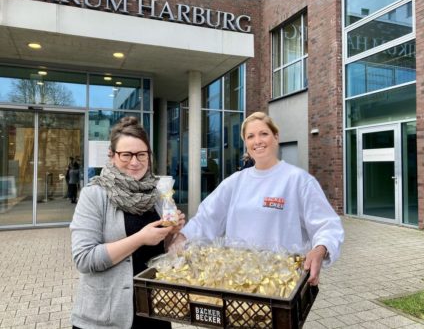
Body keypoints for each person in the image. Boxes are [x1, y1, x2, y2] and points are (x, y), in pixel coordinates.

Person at [171, 112, 344, 286]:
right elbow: (207, 218)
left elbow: (327, 224)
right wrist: (183, 237)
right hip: (238, 280)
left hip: (283, 282)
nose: (258, 141)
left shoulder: (299, 181)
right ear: (246, 143)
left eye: (264, 134)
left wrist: (320, 249)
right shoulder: (234, 183)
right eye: (250, 136)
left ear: (276, 137)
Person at [70, 116, 186, 329]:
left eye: (141, 154)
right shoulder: (94, 194)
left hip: (155, 311)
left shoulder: (158, 193)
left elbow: (166, 253)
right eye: (126, 155)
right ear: (112, 156)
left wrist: (174, 234)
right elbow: (84, 259)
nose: (135, 162)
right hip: (106, 318)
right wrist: (140, 238)